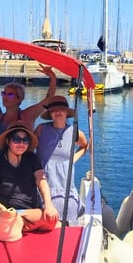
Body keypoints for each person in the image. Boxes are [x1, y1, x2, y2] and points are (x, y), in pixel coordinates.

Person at [0, 125, 59, 233]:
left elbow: (41, 180)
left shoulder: (31, 159)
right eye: (17, 139)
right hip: (4, 215)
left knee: (52, 219)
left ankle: (21, 225)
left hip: (29, 212)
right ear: (8, 141)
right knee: (6, 230)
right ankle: (22, 226)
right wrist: (6, 213)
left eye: (25, 140)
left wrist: (48, 204)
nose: (21, 144)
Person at [34, 95, 88, 223]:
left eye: (61, 109)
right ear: (50, 114)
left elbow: (85, 146)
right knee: (44, 215)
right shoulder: (41, 129)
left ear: (66, 112)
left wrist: (72, 160)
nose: (57, 112)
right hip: (44, 177)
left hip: (64, 180)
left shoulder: (75, 132)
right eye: (53, 110)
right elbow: (30, 147)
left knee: (66, 214)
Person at [0, 65, 57, 131]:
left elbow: (48, 99)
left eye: (10, 95)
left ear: (20, 99)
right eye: (3, 93)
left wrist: (52, 77)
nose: (5, 97)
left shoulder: (28, 115)